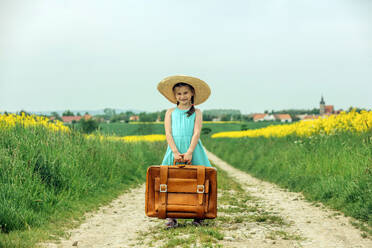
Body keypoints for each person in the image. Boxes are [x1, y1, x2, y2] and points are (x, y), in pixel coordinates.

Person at [157, 75, 212, 229]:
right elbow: (168, 133)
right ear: (175, 96)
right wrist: (175, 151)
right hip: (174, 150)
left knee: (198, 181)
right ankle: (171, 216)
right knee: (170, 182)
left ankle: (199, 215)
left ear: (192, 93)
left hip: (192, 149)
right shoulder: (170, 112)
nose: (182, 96)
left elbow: (196, 133)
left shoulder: (197, 112)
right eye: (179, 94)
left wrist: (189, 152)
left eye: (186, 93)